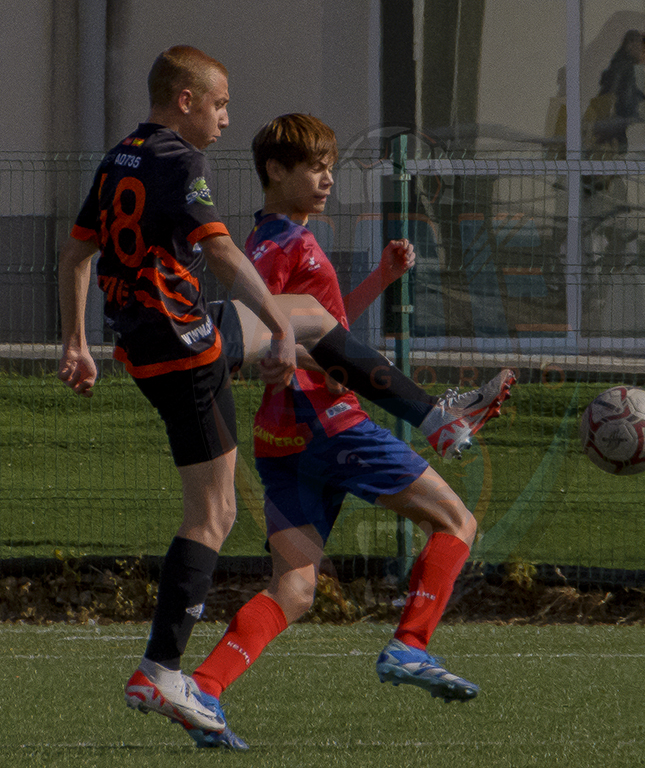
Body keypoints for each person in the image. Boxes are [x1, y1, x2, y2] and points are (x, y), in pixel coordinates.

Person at [57, 48, 514, 747]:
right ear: (185, 100)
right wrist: (276, 328)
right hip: (202, 352)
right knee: (215, 514)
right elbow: (223, 256)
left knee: (291, 580)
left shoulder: (119, 157)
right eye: (219, 104)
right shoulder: (183, 160)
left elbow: (75, 254)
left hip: (146, 344)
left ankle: (198, 683)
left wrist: (76, 343)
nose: (225, 119)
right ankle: (161, 670)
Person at [177, 114, 509, 749]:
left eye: (330, 167)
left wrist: (378, 281)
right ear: (276, 171)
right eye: (314, 168)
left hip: (281, 437)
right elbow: (262, 337)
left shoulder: (275, 241)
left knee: (295, 588)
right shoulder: (284, 245)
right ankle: (410, 645)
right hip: (327, 422)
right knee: (456, 521)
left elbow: (325, 335)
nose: (327, 179)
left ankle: (206, 688)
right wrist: (287, 357)